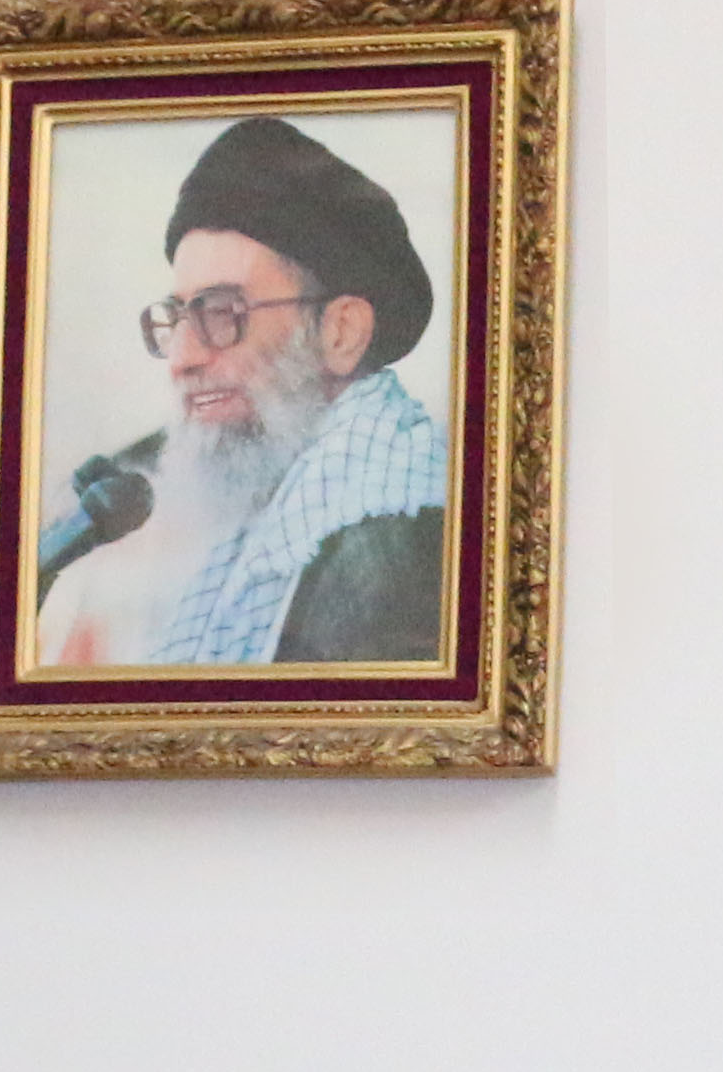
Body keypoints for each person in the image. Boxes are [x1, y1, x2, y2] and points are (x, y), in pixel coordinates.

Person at [34, 119, 452, 668]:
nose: (182, 358)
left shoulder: (397, 535)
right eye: (177, 318)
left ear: (340, 333)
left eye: (221, 312)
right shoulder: (264, 520)